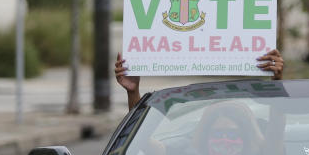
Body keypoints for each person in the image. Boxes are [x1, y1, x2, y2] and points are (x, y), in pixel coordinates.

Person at [114, 48, 286, 111]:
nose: (224, 140)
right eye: (218, 133)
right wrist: (133, 92)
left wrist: (277, 82)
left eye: (232, 133)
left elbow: (275, 135)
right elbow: (142, 142)